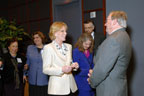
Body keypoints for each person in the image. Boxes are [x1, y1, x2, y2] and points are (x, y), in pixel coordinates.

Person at [88, 11, 132, 96]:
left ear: (114, 21)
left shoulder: (113, 40)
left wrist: (92, 80)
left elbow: (102, 69)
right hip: (119, 88)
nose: (105, 24)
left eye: (107, 20)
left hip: (108, 90)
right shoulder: (125, 37)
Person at [42, 21, 79, 96]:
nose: (65, 33)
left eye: (65, 31)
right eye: (62, 31)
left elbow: (69, 63)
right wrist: (61, 70)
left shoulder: (69, 46)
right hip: (57, 89)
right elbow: (45, 69)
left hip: (71, 87)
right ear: (55, 33)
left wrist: (74, 66)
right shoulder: (48, 48)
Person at [26, 31, 49, 96]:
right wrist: (24, 73)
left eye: (37, 37)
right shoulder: (30, 48)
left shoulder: (48, 48)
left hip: (44, 79)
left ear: (42, 38)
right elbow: (27, 62)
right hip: (32, 79)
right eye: (34, 38)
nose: (36, 39)